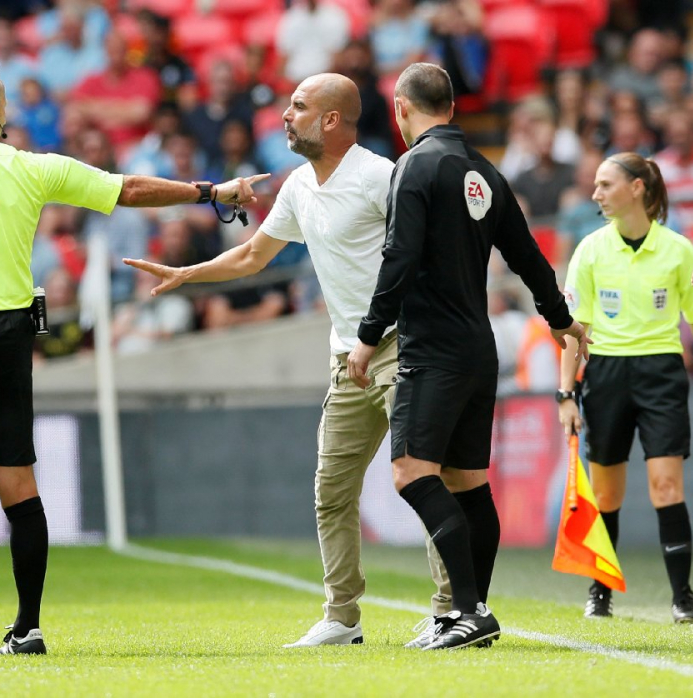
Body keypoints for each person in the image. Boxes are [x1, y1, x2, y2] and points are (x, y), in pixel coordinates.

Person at [0, 61, 265, 658]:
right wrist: (211, 192)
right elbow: (126, 189)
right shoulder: (28, 166)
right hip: (12, 336)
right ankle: (28, 628)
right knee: (17, 484)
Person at [123, 72, 453, 649]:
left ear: (330, 120)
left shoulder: (381, 177)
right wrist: (187, 274)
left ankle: (450, 609)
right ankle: (343, 617)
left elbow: (422, 260)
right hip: (346, 357)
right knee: (331, 488)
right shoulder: (300, 184)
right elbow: (253, 255)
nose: (284, 116)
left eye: (297, 107)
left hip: (402, 346)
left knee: (423, 479)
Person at [347, 63, 590, 650]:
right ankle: (468, 614)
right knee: (468, 484)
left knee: (410, 473)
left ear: (402, 109)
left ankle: (466, 609)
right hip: (479, 348)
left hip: (431, 350)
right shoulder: (486, 171)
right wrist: (559, 320)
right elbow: (529, 256)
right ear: (452, 108)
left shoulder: (414, 166)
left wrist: (367, 333)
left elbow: (399, 258)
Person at [558, 152, 693, 626]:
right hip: (606, 376)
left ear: (637, 188)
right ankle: (600, 592)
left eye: (605, 184)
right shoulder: (590, 249)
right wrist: (565, 395)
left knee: (665, 486)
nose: (595, 195)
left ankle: (683, 599)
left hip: (661, 374)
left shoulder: (678, 250)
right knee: (608, 494)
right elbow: (575, 332)